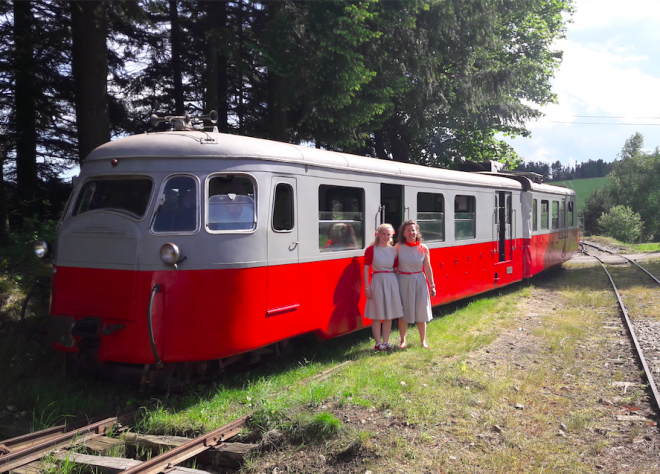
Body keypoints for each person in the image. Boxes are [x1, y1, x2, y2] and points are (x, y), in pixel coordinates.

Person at [395, 219, 436, 349]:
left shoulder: (423, 248)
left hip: (419, 280)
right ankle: (403, 341)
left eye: (413, 230)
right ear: (404, 233)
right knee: (404, 312)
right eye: (409, 230)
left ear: (417, 231)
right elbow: (392, 264)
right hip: (404, 281)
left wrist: (432, 285)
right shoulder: (398, 247)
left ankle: (423, 341)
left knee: (421, 311)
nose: (412, 233)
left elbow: (428, 268)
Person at [363, 224, 404, 351]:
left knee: (388, 314)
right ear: (378, 234)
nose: (386, 237)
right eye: (384, 234)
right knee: (377, 313)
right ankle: (377, 343)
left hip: (391, 281)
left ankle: (386, 342)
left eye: (388, 234)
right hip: (377, 281)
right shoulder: (371, 250)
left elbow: (396, 268)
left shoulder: (393, 250)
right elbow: (365, 268)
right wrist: (367, 287)